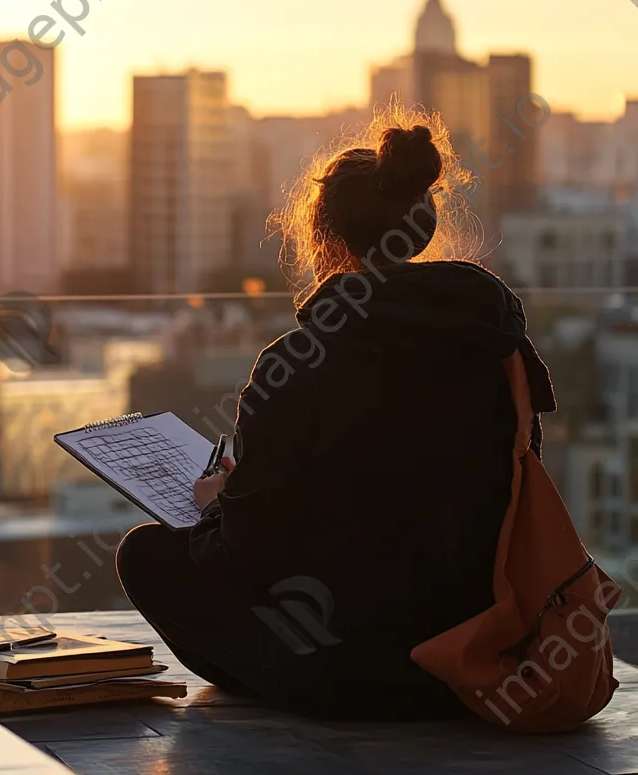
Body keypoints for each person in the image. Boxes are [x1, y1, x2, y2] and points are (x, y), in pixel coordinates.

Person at [115, 106, 556, 719]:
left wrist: (217, 501)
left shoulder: (296, 364)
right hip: (476, 657)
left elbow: (245, 559)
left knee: (145, 554)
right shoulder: (497, 347)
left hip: (342, 668)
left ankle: (277, 680)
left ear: (327, 236)